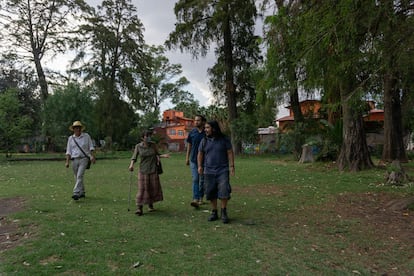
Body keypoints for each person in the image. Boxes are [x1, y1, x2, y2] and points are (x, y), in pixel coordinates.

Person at [197, 120, 235, 224]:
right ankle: (214, 211)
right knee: (210, 191)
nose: (205, 130)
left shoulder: (224, 139)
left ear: (214, 128)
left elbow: (230, 152)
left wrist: (232, 166)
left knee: (224, 190)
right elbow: (200, 154)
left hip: (222, 170)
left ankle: (224, 211)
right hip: (208, 170)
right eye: (205, 128)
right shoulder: (204, 140)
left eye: (207, 128)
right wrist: (200, 166)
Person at [128, 130, 170, 216]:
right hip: (143, 170)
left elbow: (157, 154)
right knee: (142, 189)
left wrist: (164, 156)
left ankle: (150, 205)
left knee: (152, 188)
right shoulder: (138, 146)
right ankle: (139, 208)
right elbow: (134, 157)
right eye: (146, 136)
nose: (148, 137)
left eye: (149, 136)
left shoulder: (153, 145)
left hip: (153, 169)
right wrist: (131, 165)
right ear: (142, 138)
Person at [65, 121, 96, 200]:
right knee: (77, 177)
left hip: (84, 158)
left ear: (81, 129)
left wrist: (92, 156)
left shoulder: (86, 136)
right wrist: (67, 161)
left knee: (79, 175)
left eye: (79, 128)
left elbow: (91, 147)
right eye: (76, 128)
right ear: (73, 129)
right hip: (74, 159)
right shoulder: (71, 138)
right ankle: (82, 192)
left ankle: (76, 192)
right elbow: (68, 151)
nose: (77, 129)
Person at [185, 114, 206, 208]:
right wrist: (187, 158)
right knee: (195, 179)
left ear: (203, 122)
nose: (196, 122)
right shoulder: (192, 132)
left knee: (202, 180)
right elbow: (189, 145)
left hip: (204, 160)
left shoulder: (206, 132)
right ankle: (195, 198)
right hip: (193, 159)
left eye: (198, 120)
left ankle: (201, 197)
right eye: (195, 120)